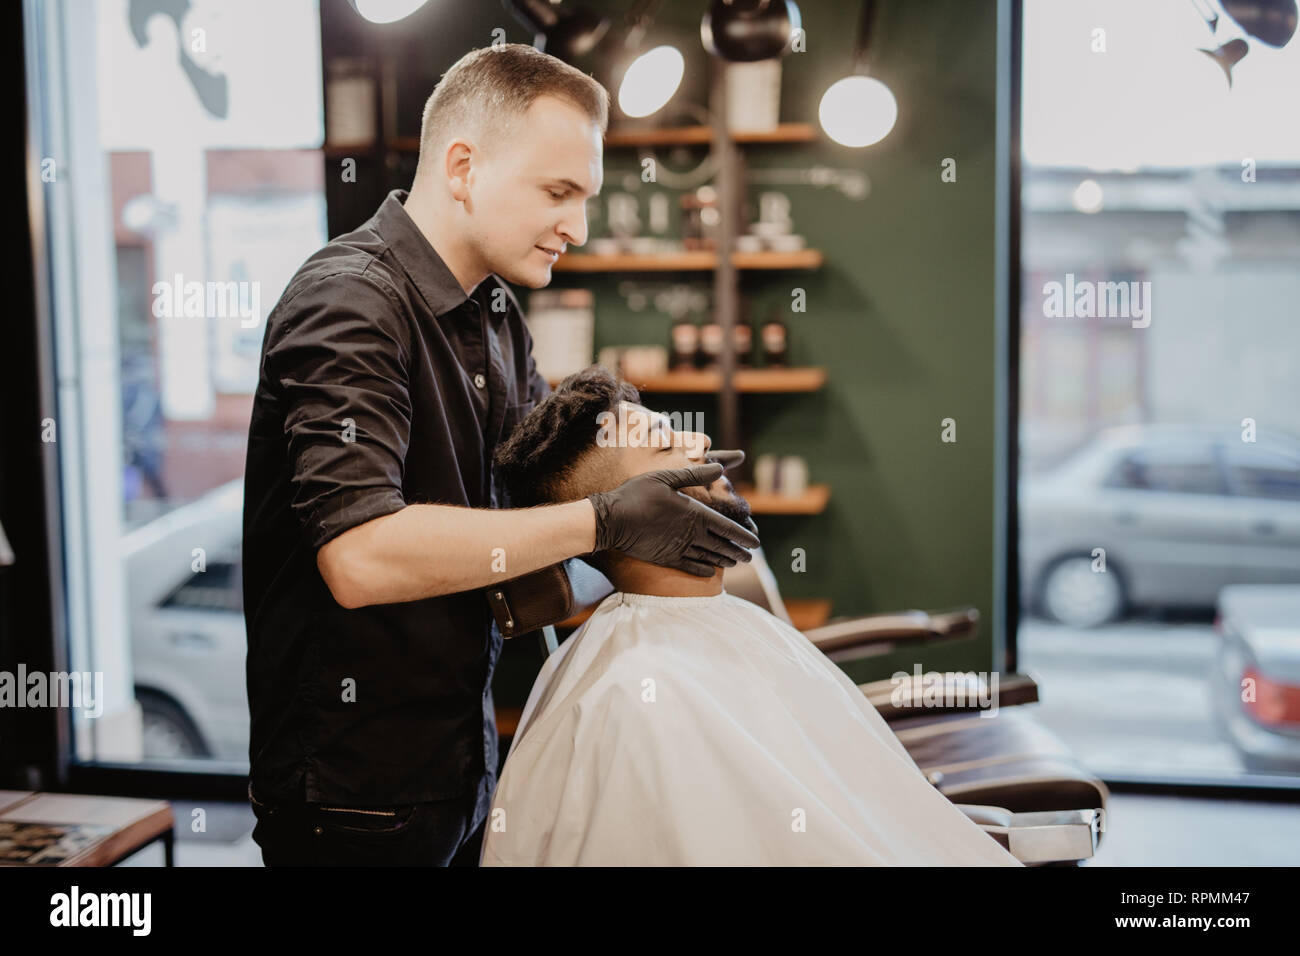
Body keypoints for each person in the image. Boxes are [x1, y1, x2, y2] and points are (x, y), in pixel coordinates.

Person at [241, 45, 759, 867]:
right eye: (558, 193)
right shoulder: (348, 303)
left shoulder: (494, 314)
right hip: (353, 792)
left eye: (585, 197)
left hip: (463, 757)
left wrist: (660, 469)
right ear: (462, 167)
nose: (577, 228)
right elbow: (360, 556)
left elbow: (532, 497)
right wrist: (605, 519)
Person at [480, 366, 1024, 866]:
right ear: (627, 514)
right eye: (667, 446)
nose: (703, 443)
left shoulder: (703, 630)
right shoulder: (636, 696)